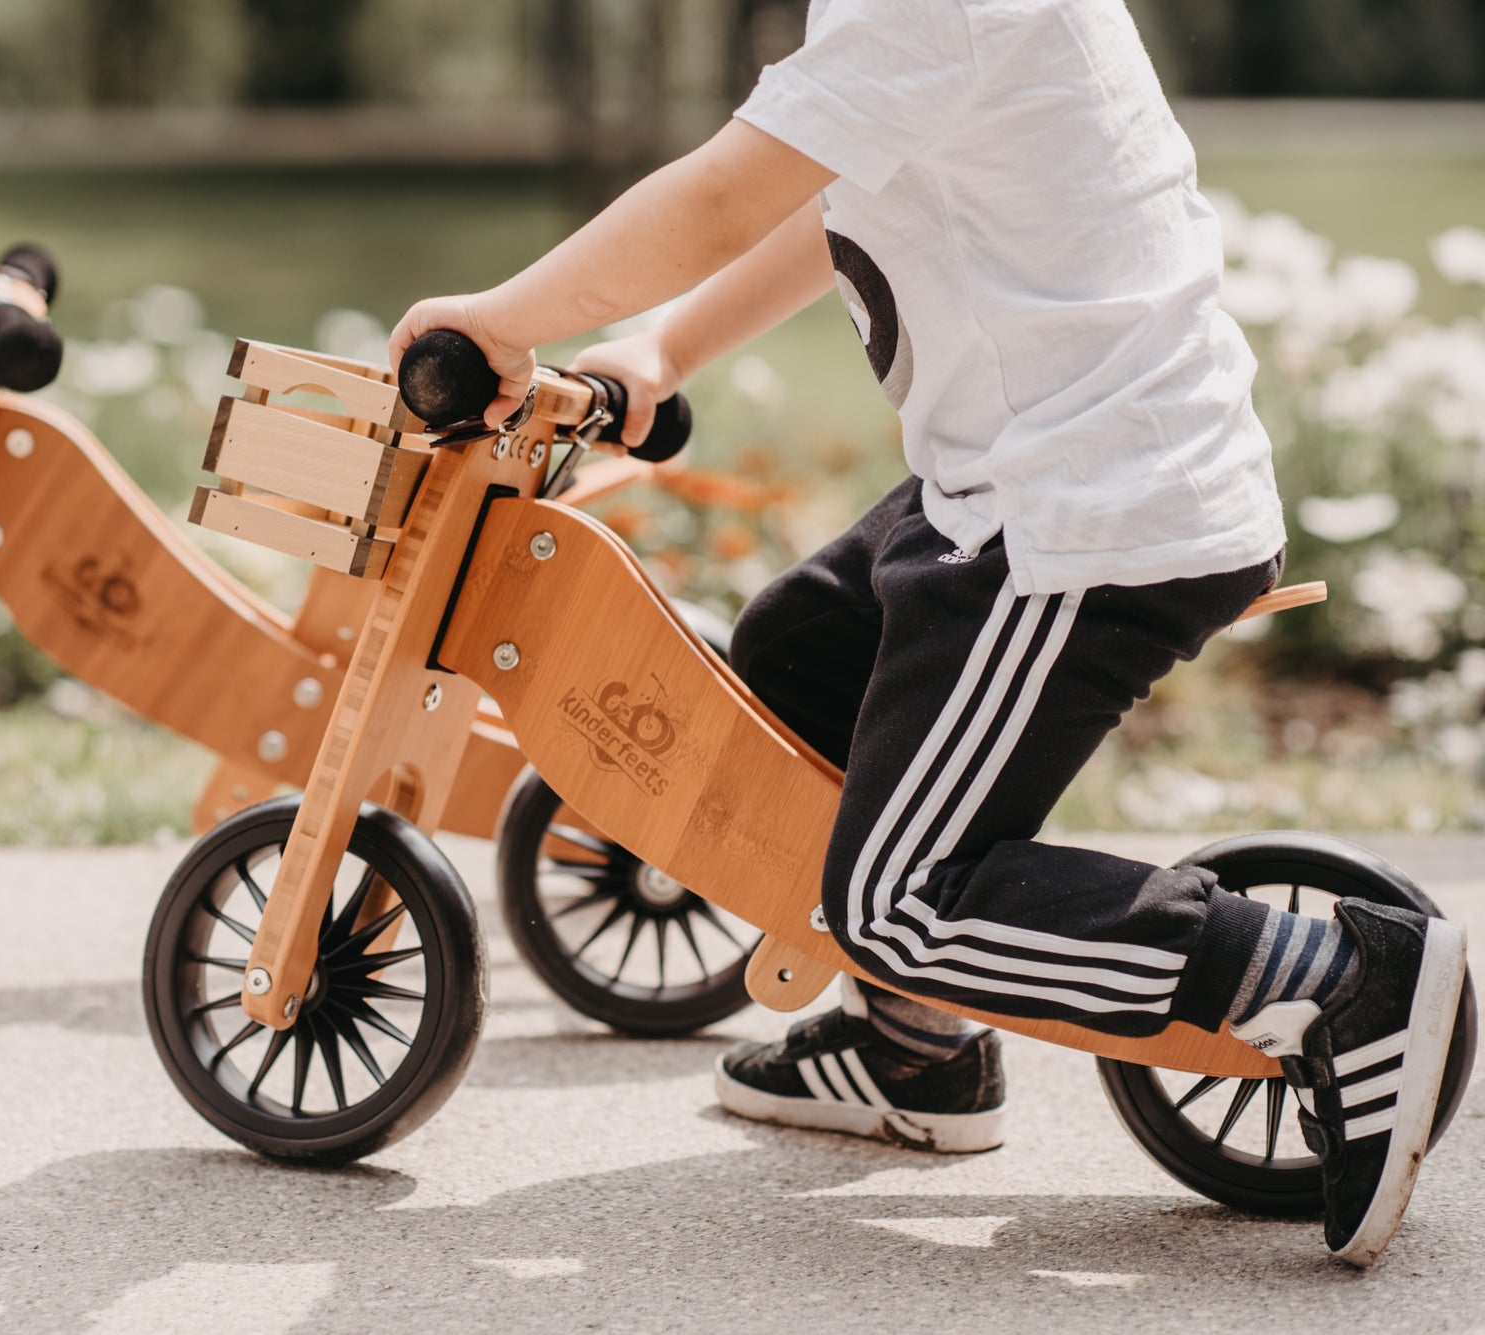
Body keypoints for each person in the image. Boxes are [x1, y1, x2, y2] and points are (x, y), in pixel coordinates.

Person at [388, 0, 1467, 1268]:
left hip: (1078, 528)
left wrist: (507, 318)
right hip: (1007, 491)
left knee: (902, 899)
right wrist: (665, 346)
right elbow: (831, 180)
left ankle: (1340, 979)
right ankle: (915, 1054)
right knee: (794, 664)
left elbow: (728, 193)